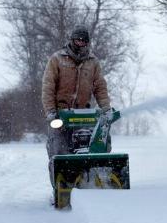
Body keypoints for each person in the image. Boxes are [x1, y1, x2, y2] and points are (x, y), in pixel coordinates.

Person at [41, 25, 113, 170]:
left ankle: (98, 174)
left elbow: (100, 87)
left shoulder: (93, 62)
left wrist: (106, 109)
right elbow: (48, 87)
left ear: (87, 42)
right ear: (72, 40)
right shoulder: (57, 59)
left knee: (101, 143)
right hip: (61, 115)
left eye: (84, 40)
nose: (80, 43)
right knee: (59, 151)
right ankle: (62, 181)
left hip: (85, 115)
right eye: (78, 40)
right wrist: (50, 111)